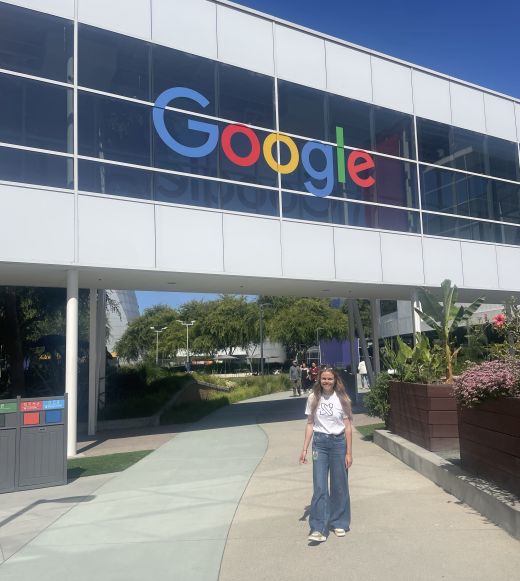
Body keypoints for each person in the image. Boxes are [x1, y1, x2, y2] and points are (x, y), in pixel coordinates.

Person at [299, 367, 353, 542]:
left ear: (335, 380)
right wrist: (305, 448)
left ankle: (339, 522)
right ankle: (318, 527)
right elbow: (309, 424)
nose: (327, 382)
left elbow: (348, 427)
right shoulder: (313, 398)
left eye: (330, 379)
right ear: (319, 380)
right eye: (324, 379)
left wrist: (349, 452)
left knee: (339, 485)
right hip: (319, 444)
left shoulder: (343, 399)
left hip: (338, 443)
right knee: (320, 486)